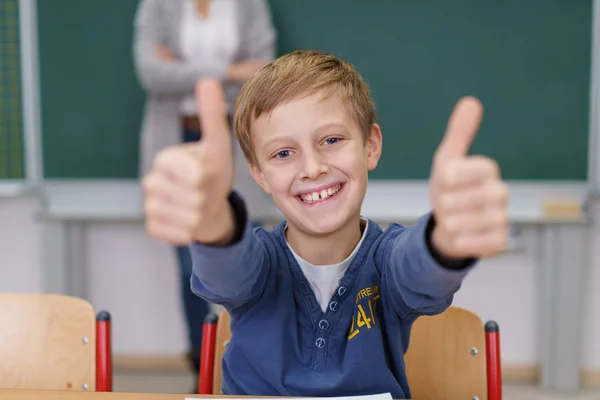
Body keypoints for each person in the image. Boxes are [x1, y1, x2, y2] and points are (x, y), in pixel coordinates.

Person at [142, 50, 510, 398]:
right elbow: (226, 268)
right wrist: (212, 218)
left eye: (331, 140)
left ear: (370, 146)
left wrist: (445, 238)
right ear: (259, 175)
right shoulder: (259, 264)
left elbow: (421, 271)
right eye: (283, 153)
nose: (313, 167)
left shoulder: (389, 260)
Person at [132, 0, 276, 390]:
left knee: (252, 254)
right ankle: (203, 372)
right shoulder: (157, 6)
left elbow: (263, 74)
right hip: (175, 137)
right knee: (188, 267)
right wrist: (230, 71)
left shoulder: (249, 6)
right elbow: (151, 73)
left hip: (235, 140)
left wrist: (181, 68)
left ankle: (255, 366)